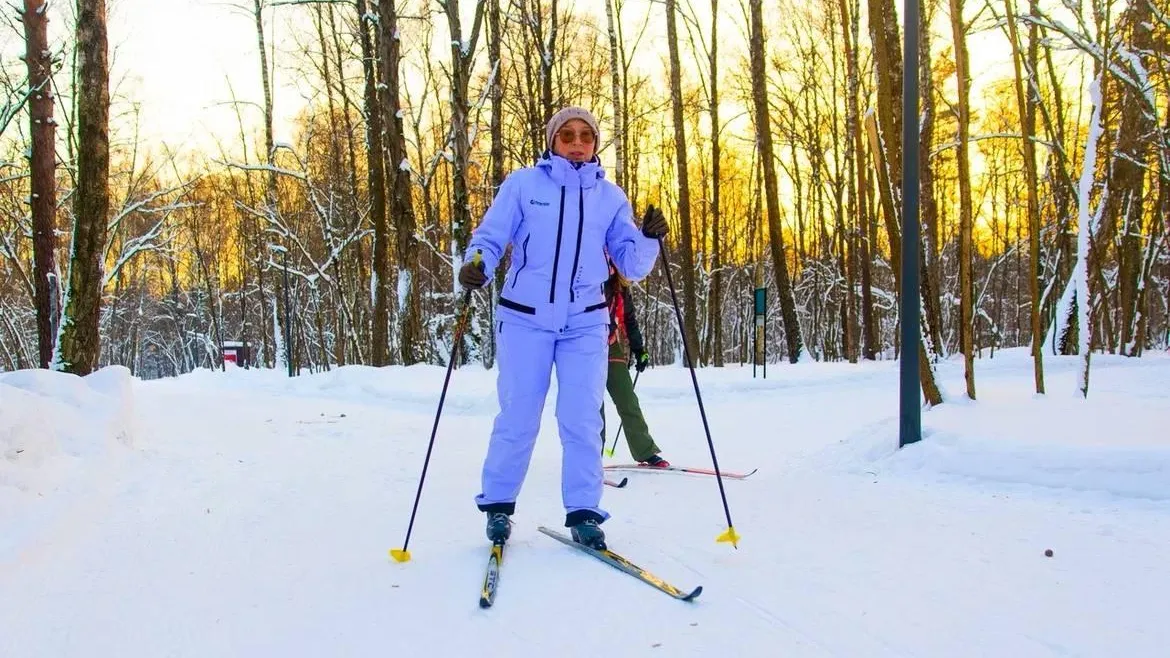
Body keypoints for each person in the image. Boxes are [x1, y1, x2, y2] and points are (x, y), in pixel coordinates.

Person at [457, 106, 669, 550]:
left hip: (584, 323)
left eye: (586, 136)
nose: (577, 142)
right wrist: (478, 263)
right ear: (553, 140)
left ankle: (584, 512)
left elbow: (630, 263)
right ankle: (498, 505)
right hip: (523, 318)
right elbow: (491, 237)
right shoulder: (523, 185)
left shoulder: (610, 198)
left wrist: (649, 238)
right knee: (518, 414)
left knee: (581, 419)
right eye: (567, 134)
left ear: (594, 144)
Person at [600, 260, 669, 467]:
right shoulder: (590, 279)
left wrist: (639, 350)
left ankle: (645, 451)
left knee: (627, 399)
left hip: (610, 345)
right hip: (584, 347)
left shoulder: (620, 287)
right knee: (593, 405)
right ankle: (591, 456)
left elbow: (629, 319)